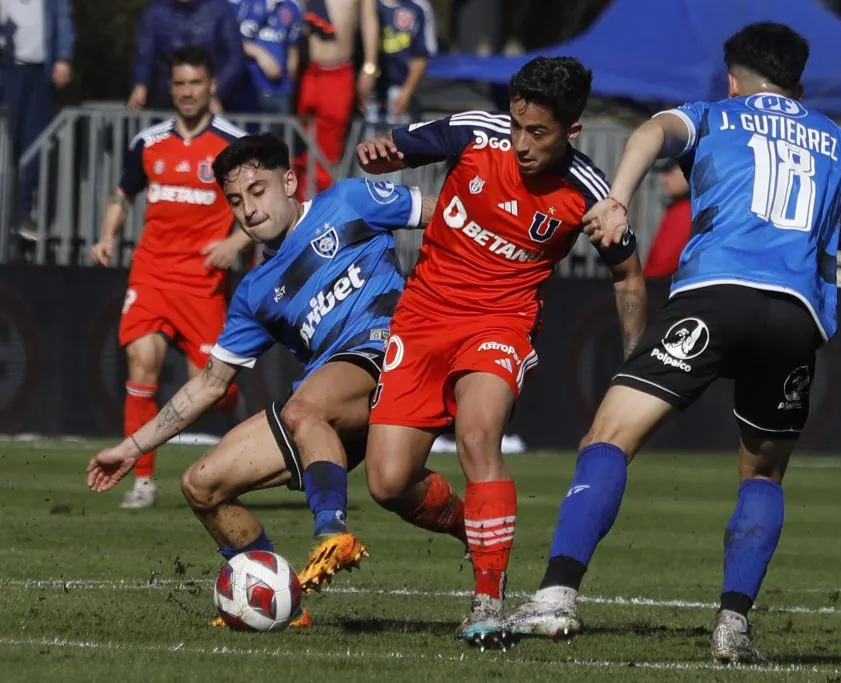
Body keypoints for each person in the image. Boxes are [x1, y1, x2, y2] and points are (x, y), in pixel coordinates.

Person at [502, 22, 841, 663]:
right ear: (798, 85)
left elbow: (651, 132)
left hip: (716, 296)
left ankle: (556, 595)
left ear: (733, 80)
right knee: (762, 474)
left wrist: (617, 199)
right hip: (795, 315)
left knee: (608, 438)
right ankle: (732, 627)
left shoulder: (713, 113)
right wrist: (822, 236)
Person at [87, 133, 465, 624]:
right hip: (323, 407)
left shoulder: (348, 201)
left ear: (288, 182)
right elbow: (209, 384)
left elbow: (452, 215)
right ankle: (281, 601)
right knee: (200, 485)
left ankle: (332, 533)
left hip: (389, 361)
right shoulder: (255, 292)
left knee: (308, 410)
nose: (248, 210)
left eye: (257, 190)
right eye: (235, 200)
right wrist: (131, 448)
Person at [355, 56, 647, 648]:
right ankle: (480, 526)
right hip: (421, 317)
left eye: (537, 132)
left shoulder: (589, 192)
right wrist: (380, 152)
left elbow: (629, 278)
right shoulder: (473, 132)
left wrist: (634, 365)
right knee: (387, 482)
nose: (520, 144)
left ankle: (486, 602)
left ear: (572, 129)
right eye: (516, 126)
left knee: (477, 436)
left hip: (500, 323)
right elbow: (395, 147)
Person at [90, 46, 252, 509]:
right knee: (142, 361)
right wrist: (106, 236)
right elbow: (122, 194)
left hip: (203, 284)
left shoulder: (233, 145)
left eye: (195, 83)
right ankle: (142, 479)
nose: (187, 92)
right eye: (179, 83)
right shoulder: (149, 142)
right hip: (152, 274)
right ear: (170, 87)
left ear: (211, 85)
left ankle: (241, 439)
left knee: (216, 389)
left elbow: (263, 208)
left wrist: (235, 243)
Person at [0, 0, 75, 243]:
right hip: (6, 68)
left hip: (38, 71)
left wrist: (64, 57)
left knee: (34, 144)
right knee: (5, 142)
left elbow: (62, 18)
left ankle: (21, 213)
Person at [295, 0, 380, 196]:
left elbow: (369, 19)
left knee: (328, 150)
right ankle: (292, 205)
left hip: (337, 72)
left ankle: (321, 205)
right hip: (301, 72)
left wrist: (369, 67)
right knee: (294, 145)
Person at [127, 0, 245, 113]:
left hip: (213, 95)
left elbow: (235, 57)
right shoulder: (155, 12)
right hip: (166, 95)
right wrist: (141, 84)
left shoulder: (220, 10)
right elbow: (144, 53)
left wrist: (215, 91)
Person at [366, 0, 437, 130]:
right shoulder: (368, 4)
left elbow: (421, 56)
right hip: (369, 89)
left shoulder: (419, 7)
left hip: (400, 88)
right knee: (366, 137)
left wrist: (406, 92)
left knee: (397, 137)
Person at [234, 0, 304, 114]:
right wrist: (260, 54)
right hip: (248, 88)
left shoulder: (293, 7)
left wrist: (290, 80)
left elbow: (293, 46)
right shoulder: (244, 4)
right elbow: (232, 40)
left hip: (280, 91)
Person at [642, 159, 692, 278]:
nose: (663, 179)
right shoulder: (691, 207)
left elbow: (662, 262)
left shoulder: (683, 211)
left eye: (669, 172)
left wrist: (643, 283)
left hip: (663, 285)